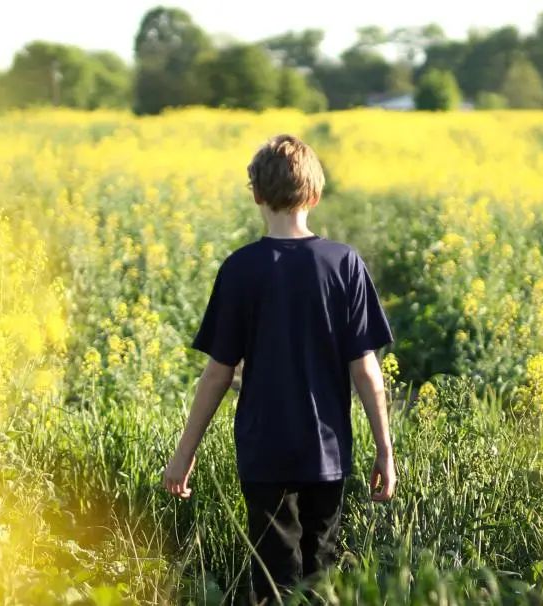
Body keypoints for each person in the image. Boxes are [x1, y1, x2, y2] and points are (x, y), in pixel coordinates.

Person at [161, 134, 397, 604]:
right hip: (328, 452)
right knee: (321, 577)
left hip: (263, 451)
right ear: (315, 193)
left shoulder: (240, 269)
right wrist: (384, 449)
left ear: (256, 194)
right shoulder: (343, 263)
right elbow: (366, 368)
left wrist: (184, 453)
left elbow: (217, 374)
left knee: (272, 581)